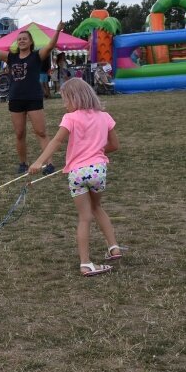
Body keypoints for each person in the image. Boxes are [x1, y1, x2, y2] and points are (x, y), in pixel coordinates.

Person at [29, 78, 122, 276]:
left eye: (65, 99)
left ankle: (86, 263)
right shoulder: (104, 116)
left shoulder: (70, 118)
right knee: (97, 207)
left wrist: (40, 161)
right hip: (98, 170)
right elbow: (114, 145)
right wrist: (95, 150)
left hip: (77, 173)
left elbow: (56, 141)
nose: (64, 104)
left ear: (75, 98)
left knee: (84, 217)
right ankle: (114, 247)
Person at [0, 20, 62, 174]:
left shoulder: (36, 56)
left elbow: (50, 46)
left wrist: (58, 31)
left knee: (40, 132)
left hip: (33, 98)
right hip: (16, 99)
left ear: (31, 42)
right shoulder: (11, 57)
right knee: (20, 133)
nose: (21, 41)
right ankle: (22, 163)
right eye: (19, 39)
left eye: (25, 38)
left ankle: (49, 163)